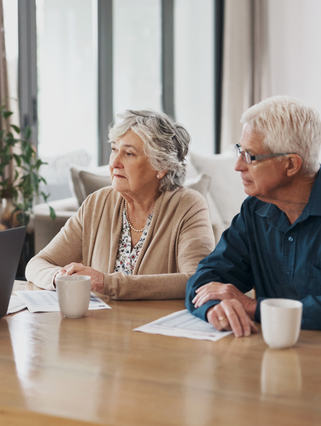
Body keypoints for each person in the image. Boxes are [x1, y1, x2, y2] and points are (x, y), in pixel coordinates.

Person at [186, 96, 321, 337]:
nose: (238, 165)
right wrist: (214, 307)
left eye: (250, 156)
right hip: (285, 350)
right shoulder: (254, 210)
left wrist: (252, 307)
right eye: (240, 151)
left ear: (290, 165)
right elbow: (205, 279)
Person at [26, 109, 215, 299]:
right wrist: (59, 277)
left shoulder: (188, 205)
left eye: (129, 154)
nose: (115, 162)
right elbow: (38, 263)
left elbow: (197, 280)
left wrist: (107, 283)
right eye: (114, 149)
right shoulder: (97, 203)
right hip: (100, 324)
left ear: (162, 166)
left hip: (156, 325)